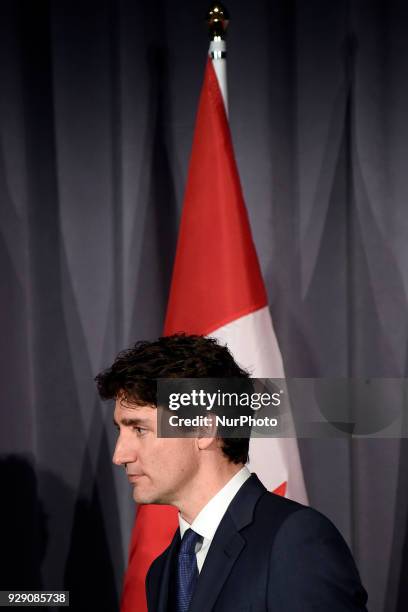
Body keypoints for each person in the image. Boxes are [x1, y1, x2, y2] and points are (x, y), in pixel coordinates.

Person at [96, 334, 368, 611]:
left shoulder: (293, 542)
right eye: (121, 431)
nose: (120, 456)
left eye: (140, 430)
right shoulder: (162, 571)